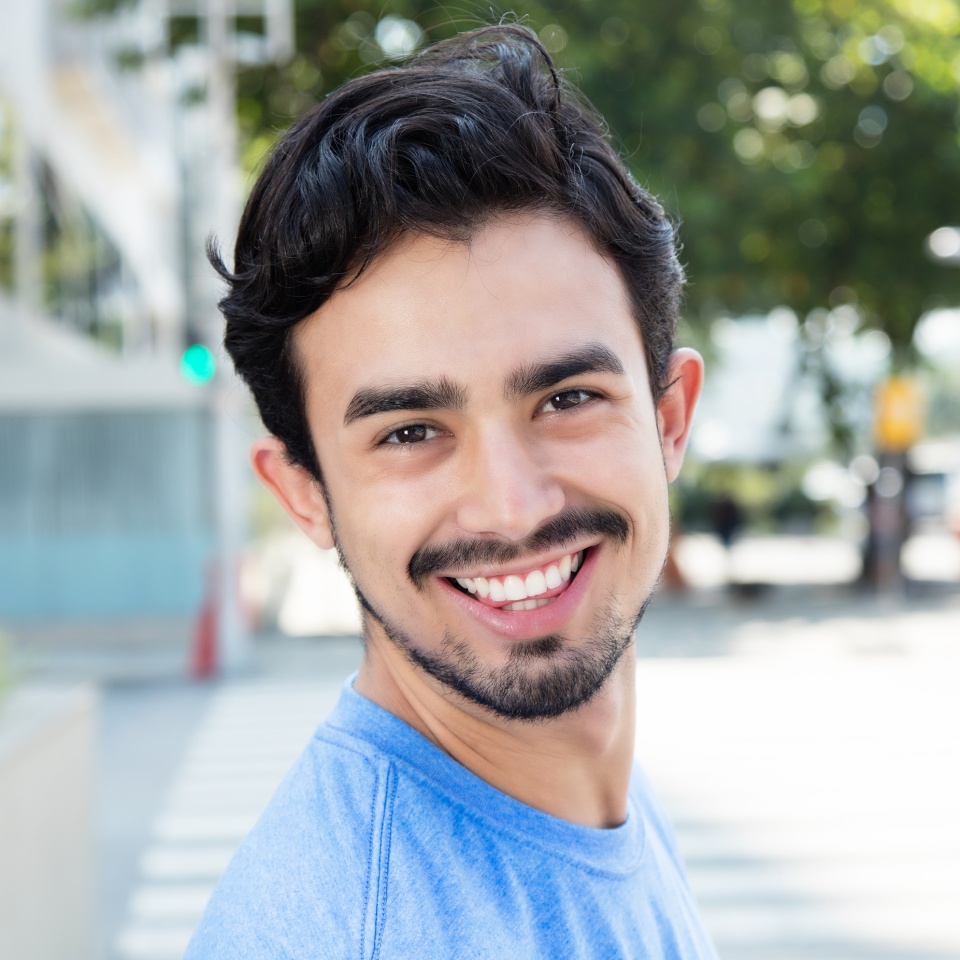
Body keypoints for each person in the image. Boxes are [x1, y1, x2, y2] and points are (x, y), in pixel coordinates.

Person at [185, 23, 713, 959]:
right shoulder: (358, 931)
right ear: (304, 494)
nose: (513, 506)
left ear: (669, 418)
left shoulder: (590, 793)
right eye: (411, 432)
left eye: (567, 398)